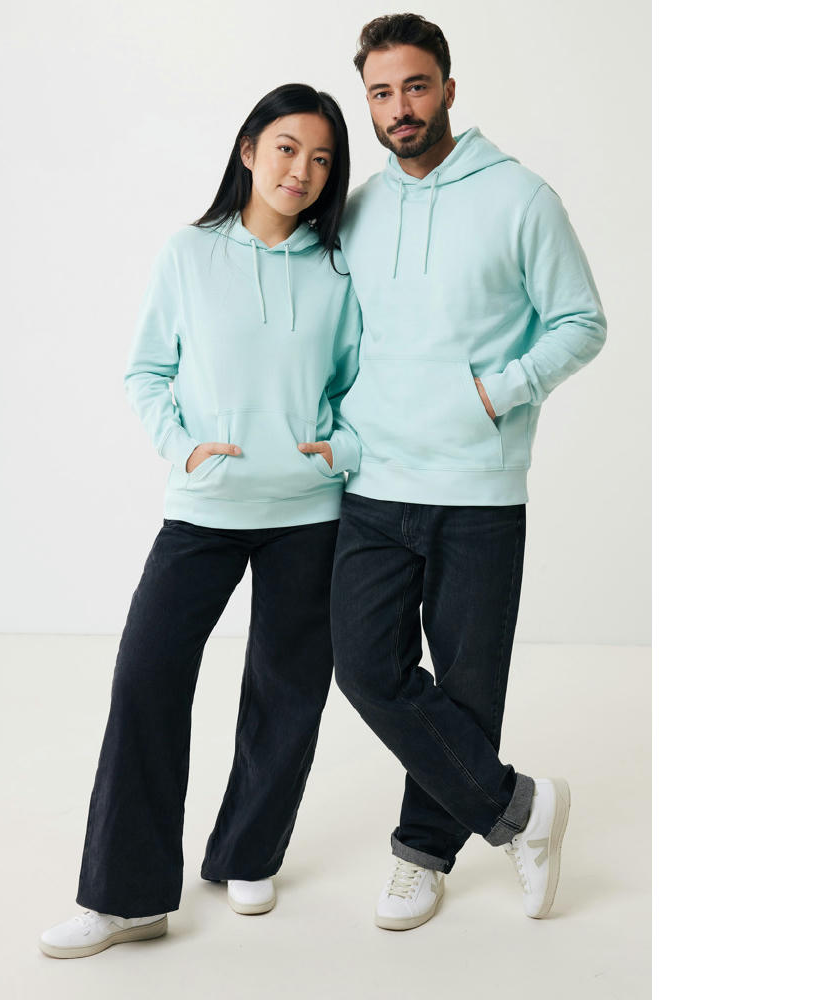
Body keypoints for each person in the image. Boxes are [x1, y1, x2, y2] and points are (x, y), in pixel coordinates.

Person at [39, 83, 361, 959]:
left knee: (288, 687)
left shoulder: (338, 270)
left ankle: (248, 853)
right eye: (287, 148)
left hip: (309, 510)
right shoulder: (189, 253)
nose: (302, 170)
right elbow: (147, 370)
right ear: (249, 149)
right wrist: (181, 448)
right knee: (146, 679)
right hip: (207, 506)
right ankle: (126, 897)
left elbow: (361, 382)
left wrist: (340, 447)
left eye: (322, 158)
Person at [330, 14, 607, 931]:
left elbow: (581, 321)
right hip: (376, 481)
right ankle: (522, 809)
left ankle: (422, 853)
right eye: (380, 93)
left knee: (466, 685)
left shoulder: (521, 197)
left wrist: (497, 394)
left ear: (449, 87)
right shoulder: (358, 209)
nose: (399, 108)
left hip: (479, 487)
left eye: (415, 86)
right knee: (365, 667)